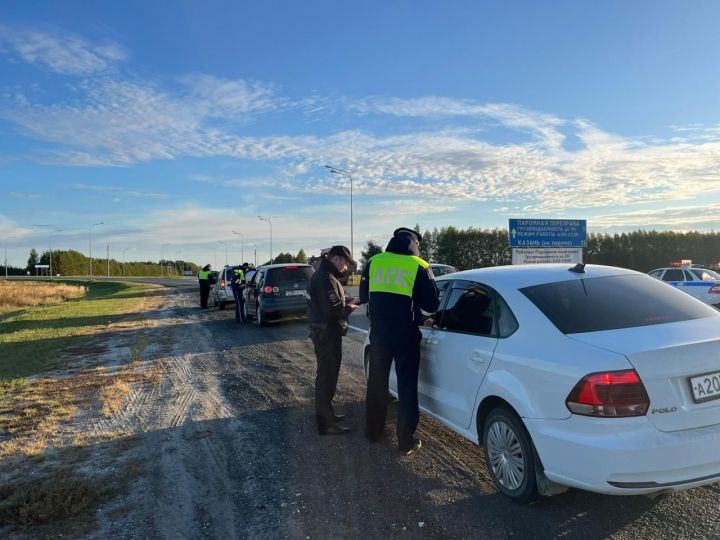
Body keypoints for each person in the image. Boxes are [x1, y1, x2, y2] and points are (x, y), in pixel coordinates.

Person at [361, 227, 439, 455]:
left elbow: (365, 296)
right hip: (406, 333)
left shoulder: (374, 261)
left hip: (379, 333)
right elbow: (432, 304)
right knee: (406, 386)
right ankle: (405, 441)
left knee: (377, 383)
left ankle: (373, 433)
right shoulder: (419, 265)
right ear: (415, 243)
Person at [307, 245, 359, 435]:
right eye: (345, 263)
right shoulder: (324, 278)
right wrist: (349, 308)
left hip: (325, 332)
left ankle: (327, 415)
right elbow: (333, 311)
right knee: (326, 378)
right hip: (326, 334)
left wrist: (345, 301)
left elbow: (331, 303)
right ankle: (326, 424)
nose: (345, 268)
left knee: (328, 376)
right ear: (336, 259)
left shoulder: (326, 275)